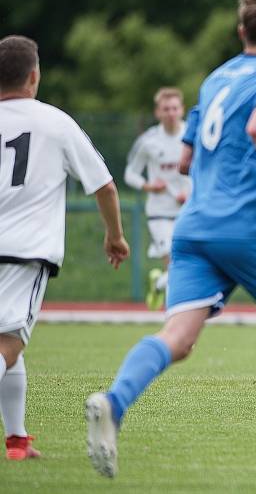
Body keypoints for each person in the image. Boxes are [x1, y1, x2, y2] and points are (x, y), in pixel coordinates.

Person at [84, 0, 256, 477]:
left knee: (179, 336)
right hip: (244, 224)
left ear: (241, 31)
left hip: (194, 224)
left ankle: (114, 402)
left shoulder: (214, 80)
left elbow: (188, 157)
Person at [0, 35, 129, 460]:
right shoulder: (55, 122)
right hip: (23, 252)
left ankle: (17, 441)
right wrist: (114, 236)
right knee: (9, 344)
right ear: (34, 76)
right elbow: (105, 186)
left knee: (7, 344)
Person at [124, 87, 191, 310]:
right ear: (158, 112)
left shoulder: (193, 135)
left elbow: (205, 170)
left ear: (181, 110)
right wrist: (148, 186)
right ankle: (173, 317)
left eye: (174, 108)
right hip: (159, 212)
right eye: (166, 109)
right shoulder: (149, 141)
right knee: (175, 262)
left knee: (187, 265)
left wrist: (192, 192)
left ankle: (160, 283)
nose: (171, 113)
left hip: (188, 210)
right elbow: (130, 174)